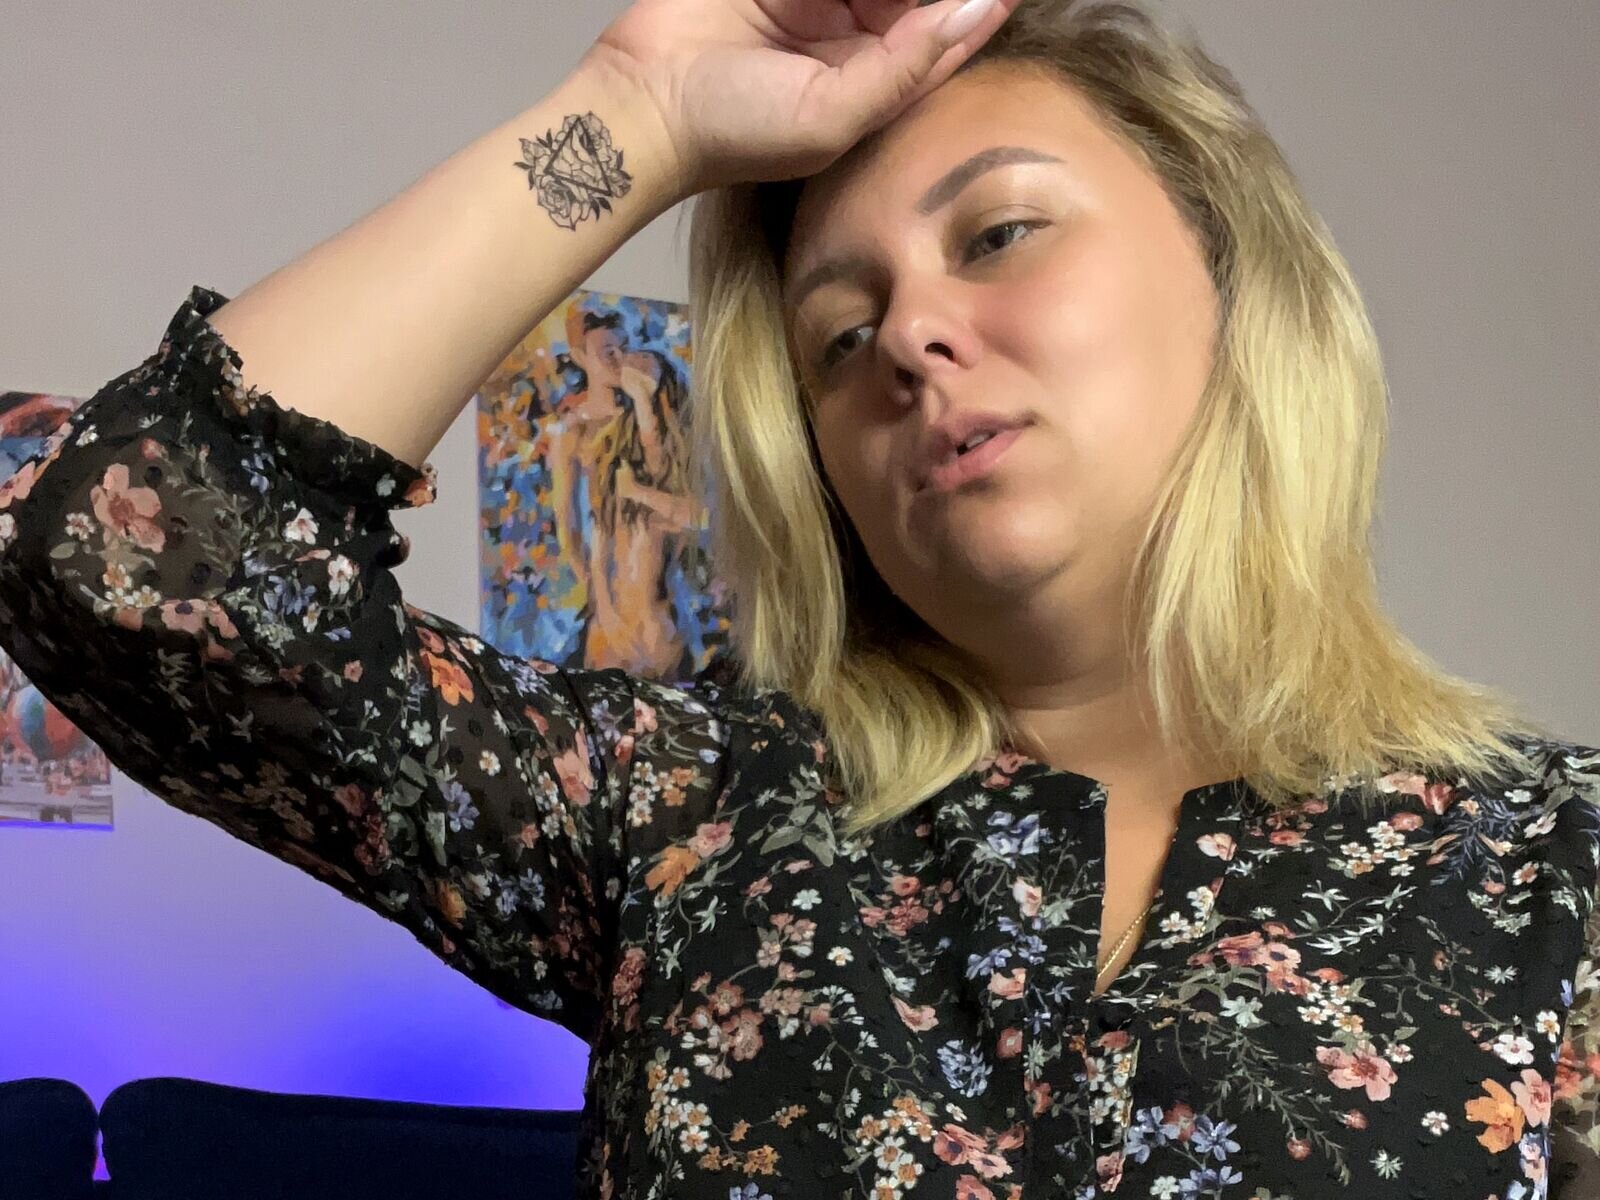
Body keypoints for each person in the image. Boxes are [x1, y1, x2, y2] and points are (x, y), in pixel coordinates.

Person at [0, 0, 1595, 1195]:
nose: (909, 336)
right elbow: (121, 557)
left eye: (1001, 233)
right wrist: (639, 112)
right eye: (839, 332)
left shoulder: (1554, 869)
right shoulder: (691, 815)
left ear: (1232, 275)